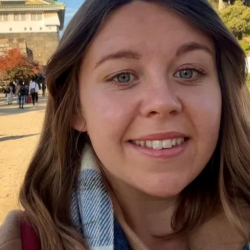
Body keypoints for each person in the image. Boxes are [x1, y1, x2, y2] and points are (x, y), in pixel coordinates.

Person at [1, 1, 250, 250]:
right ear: (76, 108)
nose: (162, 102)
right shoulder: (25, 242)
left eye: (188, 72)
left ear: (223, 92)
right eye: (123, 76)